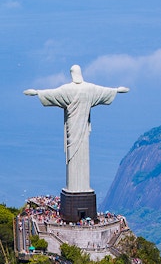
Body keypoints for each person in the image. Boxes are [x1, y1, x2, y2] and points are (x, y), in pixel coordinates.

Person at [24, 65, 129, 193]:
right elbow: (104, 91)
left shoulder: (67, 89)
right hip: (83, 131)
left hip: (72, 130)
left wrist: (37, 92)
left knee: (75, 157)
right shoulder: (89, 89)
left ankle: (76, 188)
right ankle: (79, 187)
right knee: (79, 158)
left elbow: (52, 94)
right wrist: (117, 90)